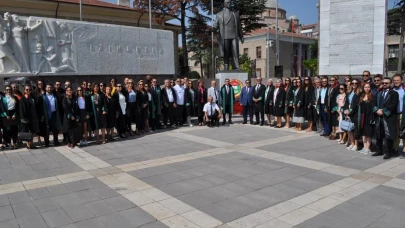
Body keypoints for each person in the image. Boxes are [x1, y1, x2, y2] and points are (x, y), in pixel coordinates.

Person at [373, 77, 399, 159]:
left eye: (386, 83)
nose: (384, 84)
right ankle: (379, 150)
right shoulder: (379, 93)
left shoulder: (394, 93)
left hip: (388, 117)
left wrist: (383, 111)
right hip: (379, 117)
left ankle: (388, 152)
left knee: (388, 135)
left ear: (390, 84)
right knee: (379, 134)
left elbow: (393, 105)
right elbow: (373, 103)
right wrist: (376, 110)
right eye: (383, 83)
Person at [19, 85, 39, 149]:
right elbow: (21, 109)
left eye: (29, 89)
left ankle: (31, 143)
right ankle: (28, 144)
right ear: (24, 90)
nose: (28, 91)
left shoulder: (32, 97)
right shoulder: (22, 98)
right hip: (26, 117)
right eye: (27, 89)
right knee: (27, 131)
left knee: (32, 131)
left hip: (33, 117)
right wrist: (23, 118)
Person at [344, 79, 361, 151]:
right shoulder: (349, 92)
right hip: (348, 112)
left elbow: (357, 105)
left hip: (355, 113)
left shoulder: (359, 93)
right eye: (352, 83)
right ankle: (352, 143)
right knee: (349, 129)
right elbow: (347, 102)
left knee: (355, 129)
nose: (354, 84)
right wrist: (345, 110)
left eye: (355, 83)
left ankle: (356, 145)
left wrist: (350, 111)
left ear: (358, 84)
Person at [358, 83, 375, 154]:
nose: (367, 88)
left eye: (368, 87)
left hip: (369, 116)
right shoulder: (362, 96)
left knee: (369, 132)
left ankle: (368, 147)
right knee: (363, 132)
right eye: (365, 87)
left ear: (370, 88)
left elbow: (373, 107)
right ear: (363, 88)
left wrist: (372, 117)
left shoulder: (372, 96)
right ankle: (364, 147)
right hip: (362, 116)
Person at [392, 73, 404, 155]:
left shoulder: (404, 90)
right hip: (393, 114)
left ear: (401, 81)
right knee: (395, 132)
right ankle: (395, 149)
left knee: (404, 132)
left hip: (402, 114)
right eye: (394, 80)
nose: (396, 82)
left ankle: (404, 150)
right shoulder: (391, 90)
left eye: (398, 80)